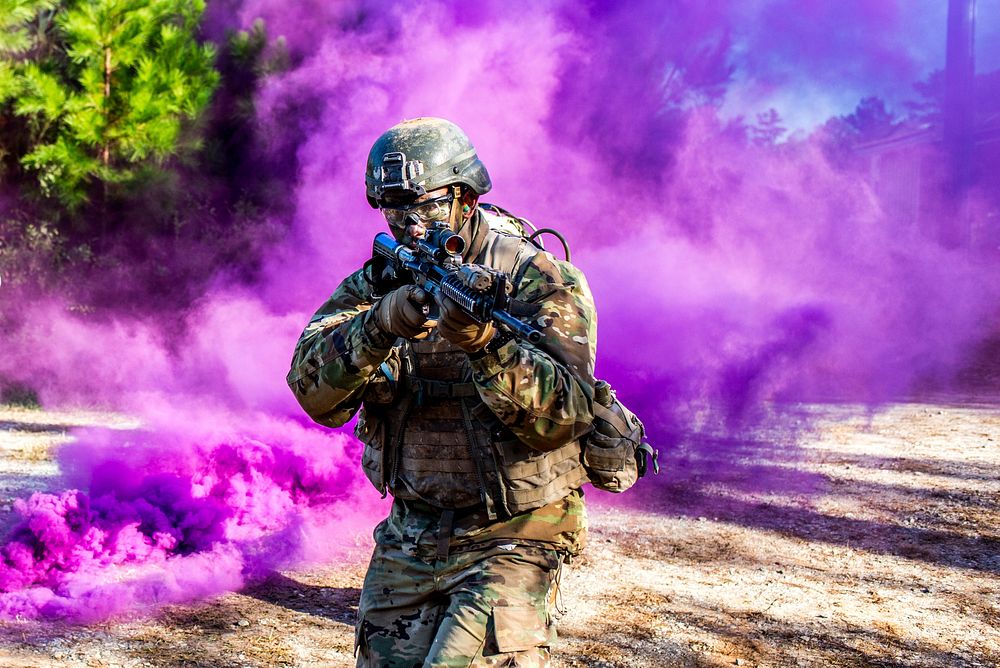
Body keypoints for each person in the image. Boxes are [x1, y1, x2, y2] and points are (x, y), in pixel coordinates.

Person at [287, 117, 597, 667]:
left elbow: (568, 414)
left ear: (464, 197)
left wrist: (485, 344)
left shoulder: (535, 277)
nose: (409, 224)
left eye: (424, 205)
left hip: (514, 532)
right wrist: (379, 324)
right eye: (393, 208)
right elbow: (313, 392)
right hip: (413, 530)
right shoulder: (382, 279)